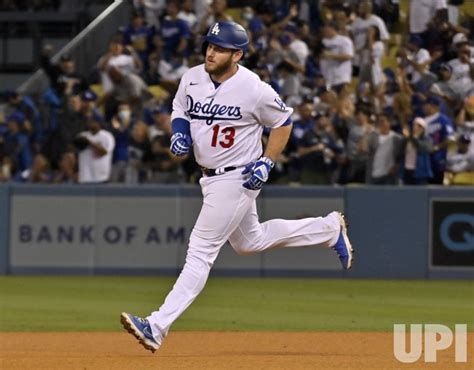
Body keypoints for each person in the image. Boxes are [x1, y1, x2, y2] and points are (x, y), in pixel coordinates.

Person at [120, 21, 354, 353]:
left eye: (219, 49)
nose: (210, 52)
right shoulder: (192, 77)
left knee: (200, 250)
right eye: (209, 46)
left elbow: (283, 122)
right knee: (249, 241)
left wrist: (267, 161)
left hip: (237, 177)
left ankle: (156, 326)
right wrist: (179, 132)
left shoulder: (253, 88)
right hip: (208, 175)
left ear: (237, 54)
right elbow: (179, 108)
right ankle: (328, 228)